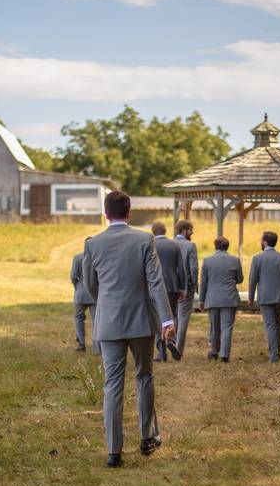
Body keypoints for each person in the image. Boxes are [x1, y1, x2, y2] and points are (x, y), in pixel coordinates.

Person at [83, 191, 175, 468]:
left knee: (112, 385)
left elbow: (91, 285)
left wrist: (108, 303)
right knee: (144, 376)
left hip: (109, 320)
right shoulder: (144, 239)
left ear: (105, 213)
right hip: (140, 320)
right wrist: (167, 319)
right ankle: (146, 438)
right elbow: (156, 282)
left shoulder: (93, 243)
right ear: (129, 212)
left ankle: (114, 451)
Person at [248, 231, 280, 363]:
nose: (260, 242)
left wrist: (251, 297)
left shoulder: (257, 258)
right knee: (278, 323)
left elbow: (253, 280)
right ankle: (277, 349)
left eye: (261, 240)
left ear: (265, 242)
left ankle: (273, 354)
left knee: (270, 325)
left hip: (265, 297)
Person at [199, 236, 243, 363]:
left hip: (212, 298)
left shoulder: (207, 261)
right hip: (229, 298)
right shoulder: (235, 260)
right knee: (227, 327)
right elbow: (239, 279)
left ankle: (214, 351)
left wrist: (201, 300)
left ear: (215, 246)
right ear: (227, 247)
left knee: (214, 327)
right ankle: (224, 355)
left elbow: (203, 282)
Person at [151, 221, 185, 362]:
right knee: (172, 314)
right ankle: (171, 340)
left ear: (153, 232)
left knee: (158, 317)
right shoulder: (174, 245)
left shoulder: (151, 245)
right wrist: (182, 288)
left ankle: (161, 351)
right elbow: (180, 269)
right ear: (165, 231)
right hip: (172, 285)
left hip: (155, 286)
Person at [173, 220, 199, 356]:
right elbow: (193, 268)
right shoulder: (190, 246)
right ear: (184, 231)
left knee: (173, 316)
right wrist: (195, 285)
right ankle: (178, 349)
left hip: (170, 287)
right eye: (190, 230)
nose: (192, 232)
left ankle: (169, 342)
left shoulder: (169, 243)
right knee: (183, 317)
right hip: (185, 287)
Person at [70, 251, 100, 355]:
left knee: (78, 318)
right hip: (95, 293)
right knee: (96, 320)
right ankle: (97, 348)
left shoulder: (77, 257)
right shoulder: (97, 256)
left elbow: (73, 276)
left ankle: (81, 344)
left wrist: (77, 287)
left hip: (80, 292)